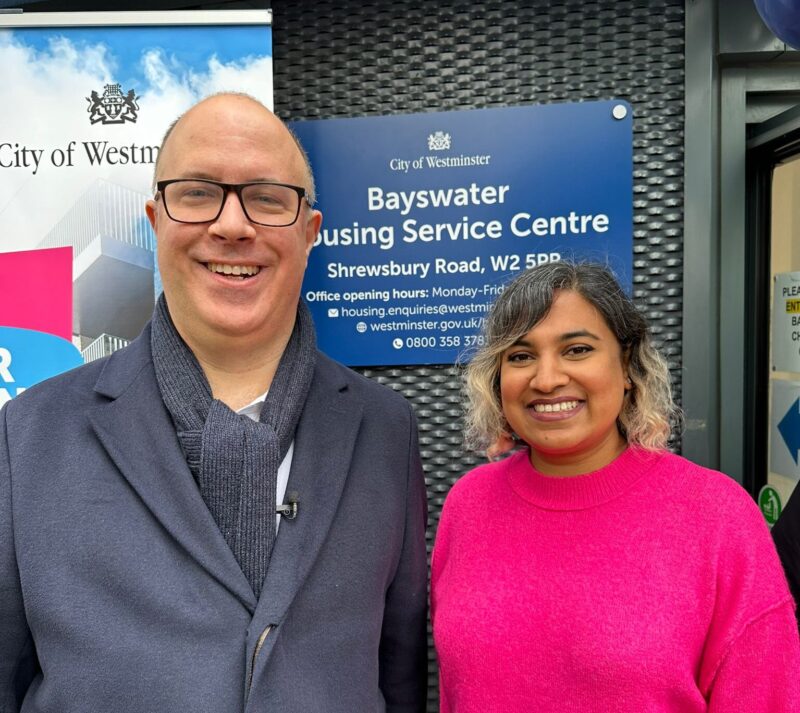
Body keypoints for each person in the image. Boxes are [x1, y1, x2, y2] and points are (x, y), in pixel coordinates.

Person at [0, 94, 428, 713]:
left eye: (267, 197)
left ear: (310, 233)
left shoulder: (386, 429)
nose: (232, 225)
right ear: (155, 219)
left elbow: (399, 677)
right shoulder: (27, 435)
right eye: (198, 192)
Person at [431, 261, 800, 712]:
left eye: (577, 349)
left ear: (627, 365)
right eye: (521, 356)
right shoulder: (470, 503)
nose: (546, 379)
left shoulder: (716, 514)